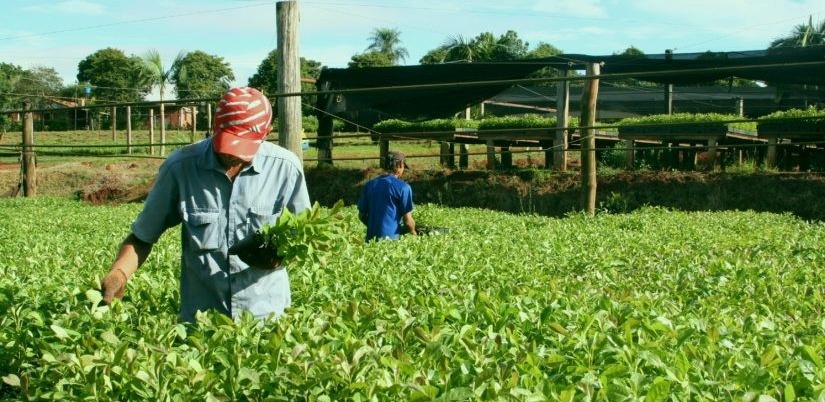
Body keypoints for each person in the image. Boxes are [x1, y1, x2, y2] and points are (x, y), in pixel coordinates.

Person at [99, 86, 311, 322]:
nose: (233, 155)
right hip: (202, 319)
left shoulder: (285, 168)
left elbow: (302, 237)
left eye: (243, 148)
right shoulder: (181, 168)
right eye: (228, 144)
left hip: (266, 317)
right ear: (214, 127)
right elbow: (142, 237)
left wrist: (280, 256)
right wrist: (119, 273)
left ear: (266, 133)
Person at [357, 151, 416, 241]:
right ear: (399, 165)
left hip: (370, 241)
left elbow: (361, 216)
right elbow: (408, 222)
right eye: (403, 166)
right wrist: (413, 233)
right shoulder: (403, 187)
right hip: (391, 241)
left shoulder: (370, 185)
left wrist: (376, 228)